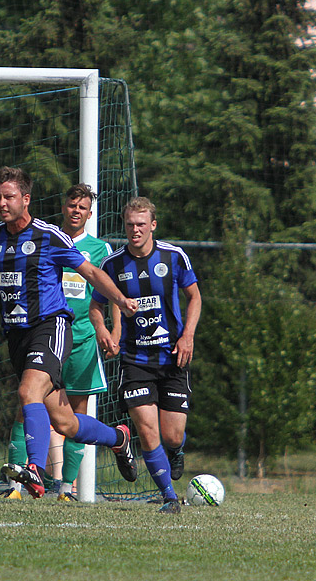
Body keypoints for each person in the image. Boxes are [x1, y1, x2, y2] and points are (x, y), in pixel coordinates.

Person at [0, 166, 139, 499]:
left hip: (50, 325)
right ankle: (118, 438)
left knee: (26, 393)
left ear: (26, 198)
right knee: (64, 421)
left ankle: (35, 470)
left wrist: (120, 299)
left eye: (9, 197)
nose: (2, 203)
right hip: (17, 334)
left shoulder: (49, 236)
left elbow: (91, 271)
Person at [2, 184, 120, 501]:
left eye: (82, 207)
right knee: (28, 405)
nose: (76, 211)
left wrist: (112, 330)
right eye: (71, 205)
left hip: (79, 338)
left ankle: (66, 488)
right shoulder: (47, 237)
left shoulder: (99, 249)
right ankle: (17, 484)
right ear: (64, 207)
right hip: (40, 332)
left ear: (90, 213)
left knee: (69, 413)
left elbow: (105, 293)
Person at [90, 196, 201, 514]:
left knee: (171, 434)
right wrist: (103, 330)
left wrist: (188, 335)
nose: (135, 230)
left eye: (141, 224)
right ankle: (168, 497)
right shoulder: (112, 265)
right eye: (129, 225)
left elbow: (194, 297)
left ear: (153, 225)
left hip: (172, 357)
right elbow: (95, 305)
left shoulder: (174, 256)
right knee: (147, 430)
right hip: (135, 360)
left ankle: (176, 450)